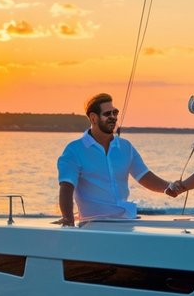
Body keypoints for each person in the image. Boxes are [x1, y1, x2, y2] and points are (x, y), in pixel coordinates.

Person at [56, 92, 177, 226]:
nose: (113, 117)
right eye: (108, 114)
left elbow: (144, 176)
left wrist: (168, 187)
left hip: (126, 223)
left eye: (115, 113)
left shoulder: (125, 147)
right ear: (93, 118)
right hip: (93, 224)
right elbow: (67, 186)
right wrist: (68, 221)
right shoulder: (74, 150)